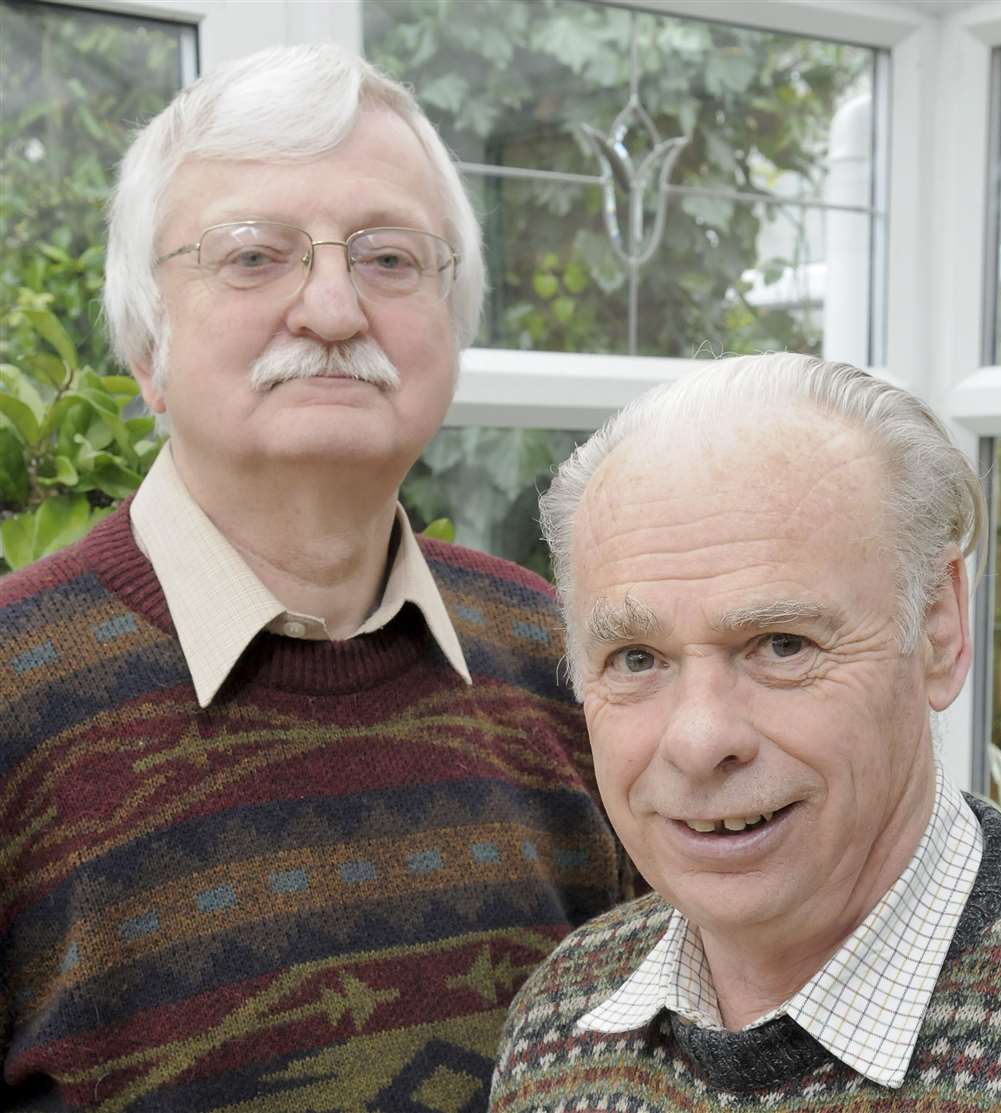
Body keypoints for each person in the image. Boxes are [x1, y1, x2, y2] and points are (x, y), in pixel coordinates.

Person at [0, 44, 631, 1111]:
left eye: (390, 259)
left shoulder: (569, 661)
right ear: (146, 352)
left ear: (453, 329)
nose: (334, 311)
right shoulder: (14, 691)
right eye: (254, 257)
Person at [490, 353, 1001, 1111]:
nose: (699, 740)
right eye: (637, 657)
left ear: (938, 628)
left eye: (782, 644)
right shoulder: (560, 1019)